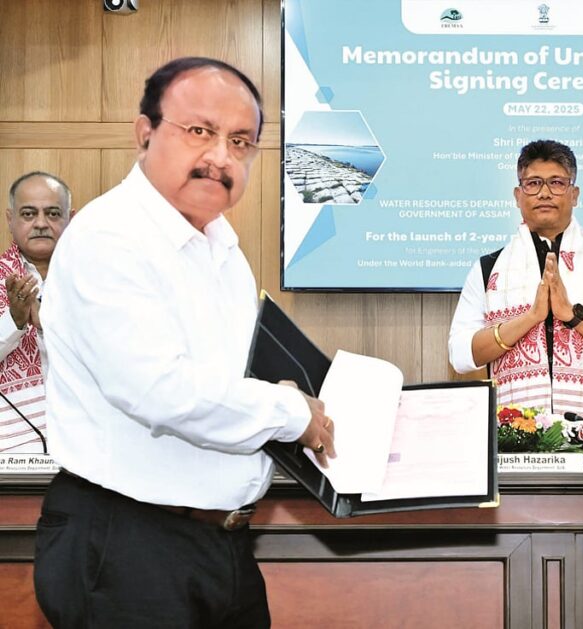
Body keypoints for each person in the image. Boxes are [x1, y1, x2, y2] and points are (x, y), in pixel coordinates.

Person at [33, 57, 336, 628]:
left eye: (240, 141)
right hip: (128, 549)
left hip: (221, 544)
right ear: (145, 132)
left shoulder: (222, 247)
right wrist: (291, 411)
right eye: (200, 130)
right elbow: (159, 391)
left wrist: (287, 397)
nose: (221, 156)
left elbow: (223, 382)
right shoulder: (110, 236)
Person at [448, 140, 583, 447]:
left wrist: (573, 316)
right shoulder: (488, 269)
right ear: (518, 195)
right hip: (513, 444)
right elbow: (461, 356)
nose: (544, 193)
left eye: (556, 182)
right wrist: (530, 318)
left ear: (574, 194)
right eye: (533, 183)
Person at [0, 172, 73, 453]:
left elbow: (117, 357)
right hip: (12, 449)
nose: (41, 223)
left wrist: (48, 325)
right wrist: (14, 322)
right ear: (10, 219)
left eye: (53, 214)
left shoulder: (96, 281)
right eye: (29, 214)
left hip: (85, 445)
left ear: (70, 219)